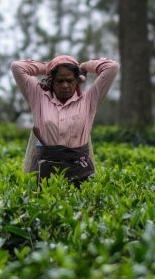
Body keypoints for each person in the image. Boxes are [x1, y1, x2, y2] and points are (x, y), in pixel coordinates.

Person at [10, 54, 120, 185]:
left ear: (77, 81)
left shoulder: (89, 100)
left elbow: (112, 67)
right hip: (44, 172)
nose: (65, 85)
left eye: (70, 80)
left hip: (80, 171)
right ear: (52, 81)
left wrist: (83, 66)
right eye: (59, 81)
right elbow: (17, 67)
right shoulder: (39, 98)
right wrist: (50, 66)